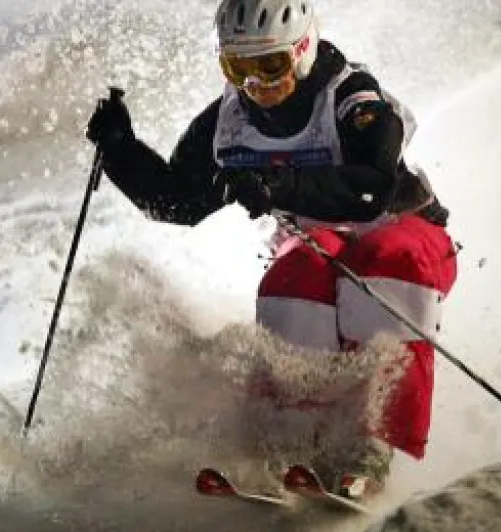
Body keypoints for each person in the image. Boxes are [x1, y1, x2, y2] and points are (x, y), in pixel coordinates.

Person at [86, 0, 458, 499]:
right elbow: (177, 201)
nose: (256, 84)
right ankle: (290, 439)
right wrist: (120, 149)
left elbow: (371, 191)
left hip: (407, 238)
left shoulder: (352, 99)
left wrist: (277, 185)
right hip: (319, 247)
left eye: (270, 65)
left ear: (302, 52)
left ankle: (370, 444)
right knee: (297, 273)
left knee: (384, 258)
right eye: (238, 67)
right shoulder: (229, 121)